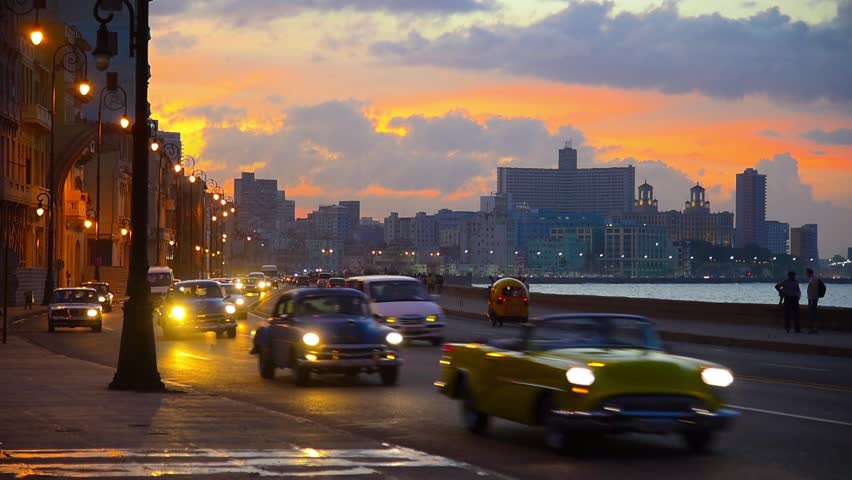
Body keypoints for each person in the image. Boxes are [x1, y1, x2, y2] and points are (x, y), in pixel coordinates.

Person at [805, 267, 820, 334]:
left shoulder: (813, 280)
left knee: (812, 314)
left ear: (808, 273)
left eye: (806, 273)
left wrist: (811, 301)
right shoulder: (813, 279)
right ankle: (813, 328)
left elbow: (813, 291)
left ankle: (813, 329)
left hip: (812, 299)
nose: (806, 274)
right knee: (812, 314)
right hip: (813, 299)